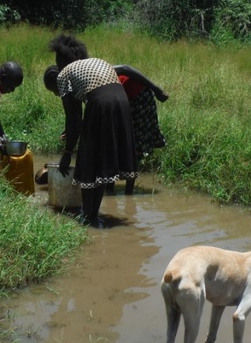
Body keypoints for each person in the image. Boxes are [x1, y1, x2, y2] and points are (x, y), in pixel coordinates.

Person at [43, 34, 137, 227]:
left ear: (61, 61)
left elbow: (74, 119)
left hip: (101, 104)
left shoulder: (63, 74)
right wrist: (73, 132)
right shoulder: (94, 62)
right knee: (101, 161)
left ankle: (88, 216)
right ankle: (92, 214)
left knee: (87, 160)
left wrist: (67, 154)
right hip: (122, 103)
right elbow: (80, 117)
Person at [110, 65, 168, 194]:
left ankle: (127, 192)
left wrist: (157, 89)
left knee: (133, 144)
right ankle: (111, 188)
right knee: (114, 143)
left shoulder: (96, 69)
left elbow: (126, 68)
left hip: (138, 97)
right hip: (124, 98)